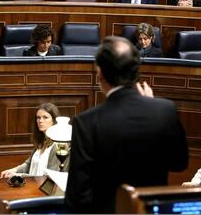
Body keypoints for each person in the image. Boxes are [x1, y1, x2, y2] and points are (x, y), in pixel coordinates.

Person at [65, 36, 188, 213]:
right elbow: (179, 163)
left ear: (99, 73)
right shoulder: (165, 110)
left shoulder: (86, 122)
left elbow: (77, 197)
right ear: (135, 71)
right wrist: (153, 108)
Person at [0, 102, 70, 178]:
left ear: (53, 120)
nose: (40, 121)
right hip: (32, 186)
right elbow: (29, 164)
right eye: (38, 117)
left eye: (45, 117)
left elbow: (49, 177)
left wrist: (18, 175)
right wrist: (14, 170)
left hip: (45, 188)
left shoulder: (59, 144)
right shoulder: (41, 141)